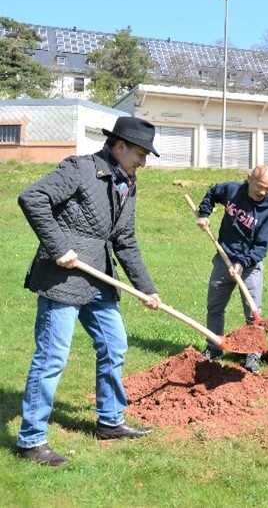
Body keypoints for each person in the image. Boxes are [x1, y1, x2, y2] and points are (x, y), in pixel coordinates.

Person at [16, 116, 163, 466]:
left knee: (115, 345)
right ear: (120, 145)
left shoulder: (128, 183)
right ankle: (30, 441)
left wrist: (147, 289)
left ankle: (110, 421)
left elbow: (124, 240)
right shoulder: (80, 169)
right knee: (52, 356)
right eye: (141, 153)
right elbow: (32, 197)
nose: (143, 161)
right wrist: (58, 247)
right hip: (64, 276)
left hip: (99, 276)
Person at [195, 165, 268, 374]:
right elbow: (213, 193)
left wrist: (242, 264)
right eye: (260, 186)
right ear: (249, 179)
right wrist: (204, 214)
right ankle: (214, 348)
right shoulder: (233, 190)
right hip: (224, 258)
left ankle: (253, 355)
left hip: (249, 266)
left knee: (254, 314)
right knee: (215, 307)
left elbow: (261, 247)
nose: (263, 192)